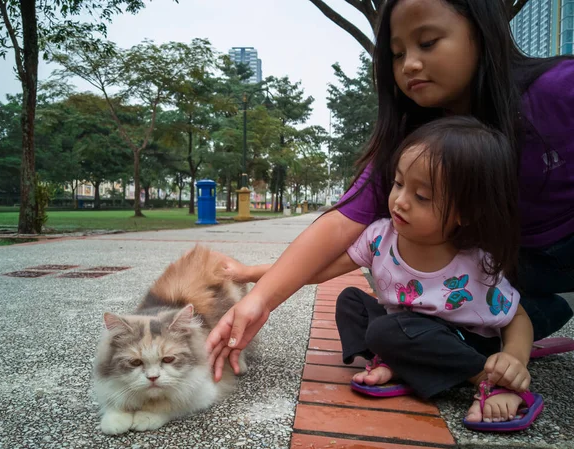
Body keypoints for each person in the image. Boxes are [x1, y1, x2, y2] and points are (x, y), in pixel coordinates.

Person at [206, 0, 574, 387]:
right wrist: (258, 298)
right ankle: (445, 348)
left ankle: (469, 361)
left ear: (482, 33)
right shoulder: (412, 146)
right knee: (365, 310)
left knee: (410, 330)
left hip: (516, 270)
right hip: (498, 277)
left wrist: (513, 359)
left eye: (428, 42)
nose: (410, 64)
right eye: (397, 54)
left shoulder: (557, 92)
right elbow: (338, 230)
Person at [223, 117, 544, 430]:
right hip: (401, 330)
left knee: (387, 331)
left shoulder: (473, 263)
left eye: (421, 196)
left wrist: (513, 360)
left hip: (457, 344)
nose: (400, 201)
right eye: (399, 183)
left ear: (466, 212)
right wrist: (249, 272)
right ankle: (400, 362)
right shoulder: (380, 237)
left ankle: (487, 381)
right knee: (350, 300)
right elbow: (319, 271)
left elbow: (517, 317)